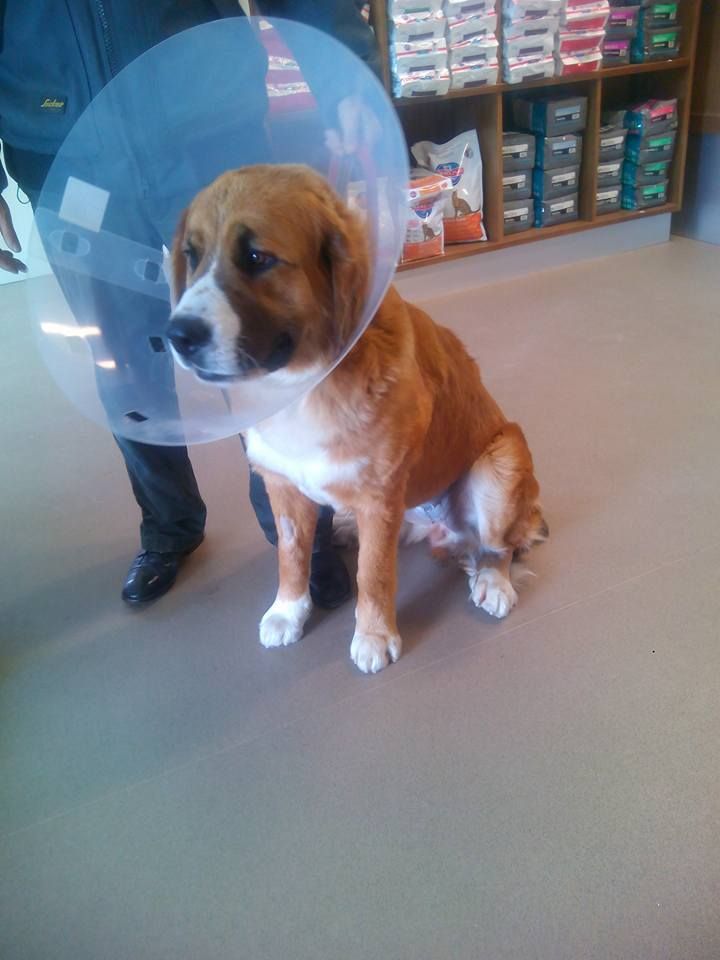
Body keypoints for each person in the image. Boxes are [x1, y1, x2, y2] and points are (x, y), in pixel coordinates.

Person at [0, 1, 380, 607]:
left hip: (205, 121)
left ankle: (298, 537)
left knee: (259, 352)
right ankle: (169, 527)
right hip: (66, 146)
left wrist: (346, 75)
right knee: (121, 363)